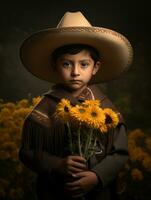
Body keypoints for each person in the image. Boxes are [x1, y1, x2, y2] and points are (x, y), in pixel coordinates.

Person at [19, 11, 133, 200]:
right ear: (55, 66)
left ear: (95, 67)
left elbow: (119, 153)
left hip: (98, 193)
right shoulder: (46, 106)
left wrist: (97, 176)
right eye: (66, 64)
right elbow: (26, 152)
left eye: (84, 64)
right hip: (56, 191)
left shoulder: (106, 108)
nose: (75, 72)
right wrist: (56, 164)